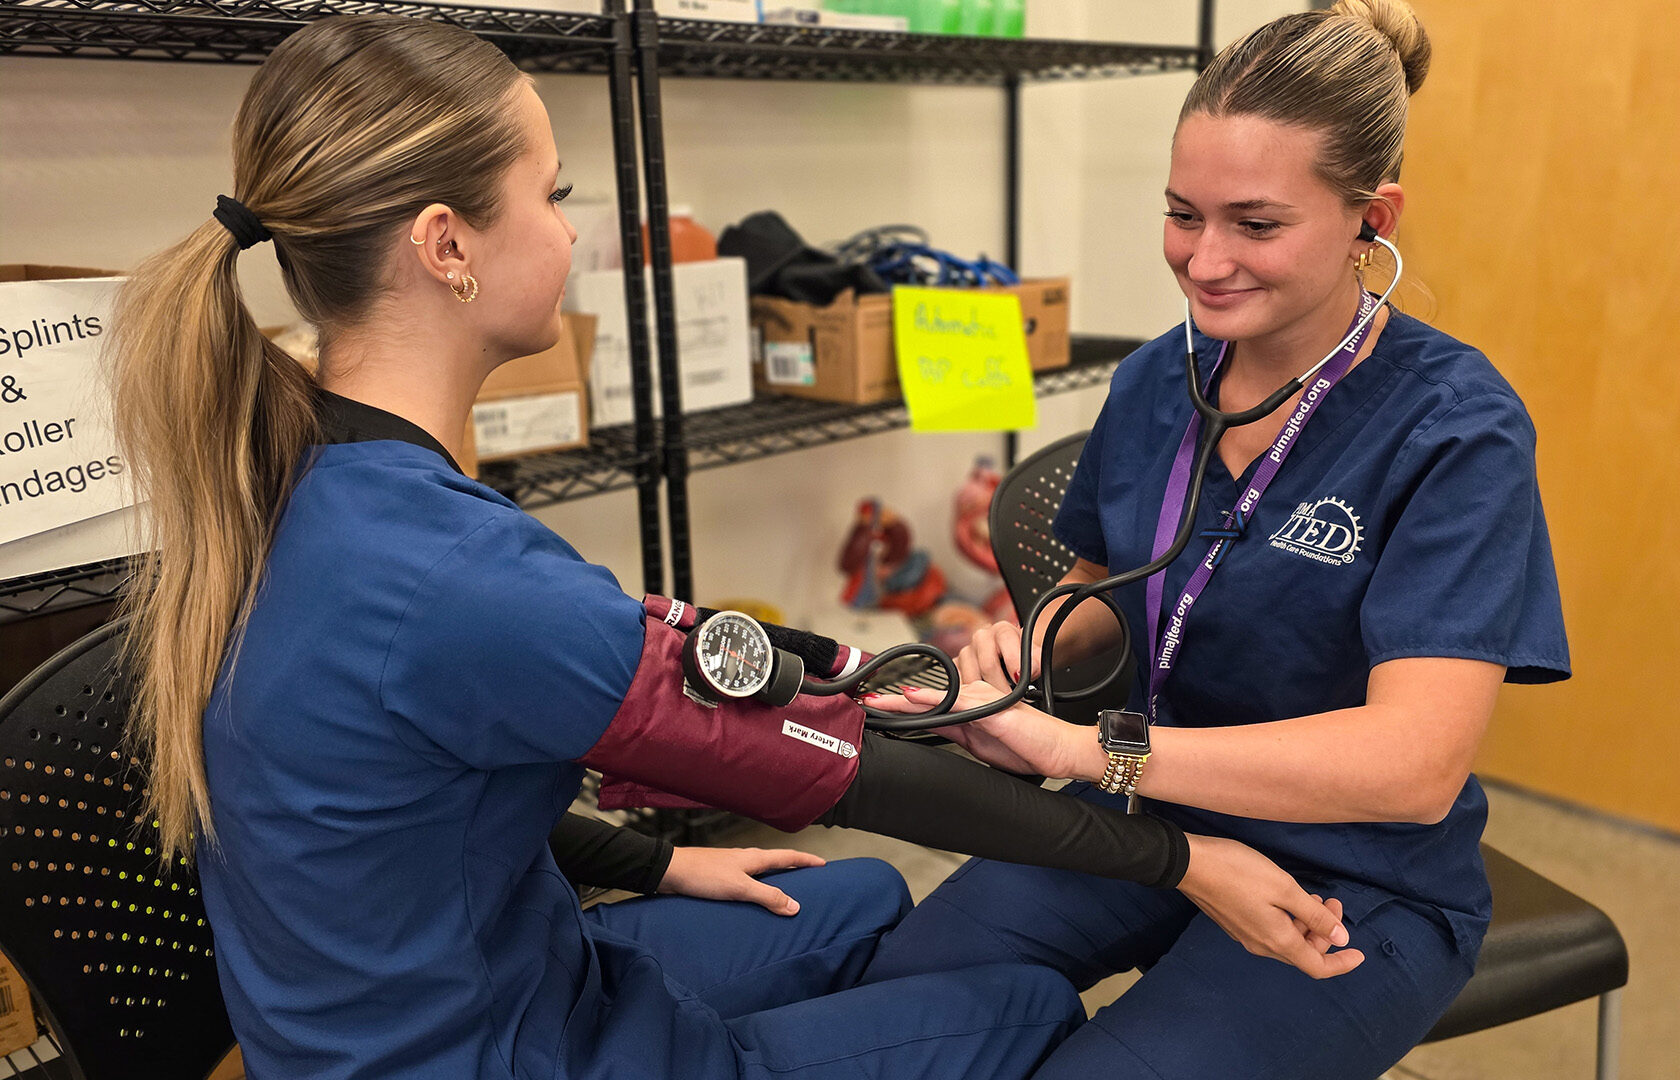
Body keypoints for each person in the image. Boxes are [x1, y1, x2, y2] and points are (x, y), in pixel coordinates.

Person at [106, 14, 1358, 1080]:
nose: (565, 227)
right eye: (552, 196)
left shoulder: (301, 479)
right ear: (446, 246)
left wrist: (655, 862)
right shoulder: (452, 577)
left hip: (437, 987)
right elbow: (845, 765)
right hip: (495, 1047)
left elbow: (433, 781)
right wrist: (1181, 854)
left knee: (858, 894)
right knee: (1022, 1009)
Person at [862, 3, 1570, 1079]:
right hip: (1145, 812)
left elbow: (1413, 770)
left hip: (1359, 871)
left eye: (1255, 222)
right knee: (894, 1008)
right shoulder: (1161, 375)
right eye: (1182, 214)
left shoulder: (1455, 428)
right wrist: (1029, 652)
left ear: (1371, 218)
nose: (1204, 260)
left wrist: (1092, 749)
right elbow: (1102, 588)